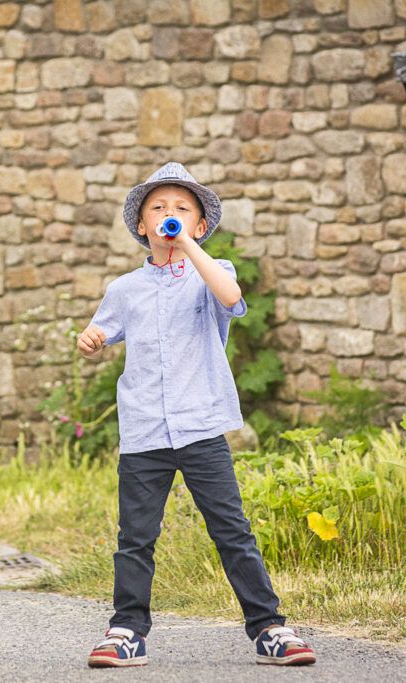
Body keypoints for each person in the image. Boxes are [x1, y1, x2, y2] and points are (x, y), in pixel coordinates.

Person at [77, 163, 316, 668]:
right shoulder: (124, 289)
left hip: (201, 424)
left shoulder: (216, 271)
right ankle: (126, 631)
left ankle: (269, 628)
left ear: (201, 225)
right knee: (135, 537)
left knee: (231, 530)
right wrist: (92, 341)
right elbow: (97, 334)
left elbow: (232, 299)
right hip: (143, 429)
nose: (170, 216)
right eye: (158, 209)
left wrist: (186, 246)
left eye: (182, 210)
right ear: (142, 226)